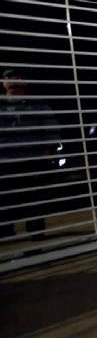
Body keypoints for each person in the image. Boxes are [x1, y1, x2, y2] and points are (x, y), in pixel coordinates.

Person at [0, 68, 61, 240]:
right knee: (5, 199)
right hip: (4, 162)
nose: (13, 81)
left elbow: (52, 130)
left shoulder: (38, 105)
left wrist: (46, 153)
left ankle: (35, 232)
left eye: (18, 77)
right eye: (9, 77)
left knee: (34, 199)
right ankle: (6, 232)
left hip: (32, 161)